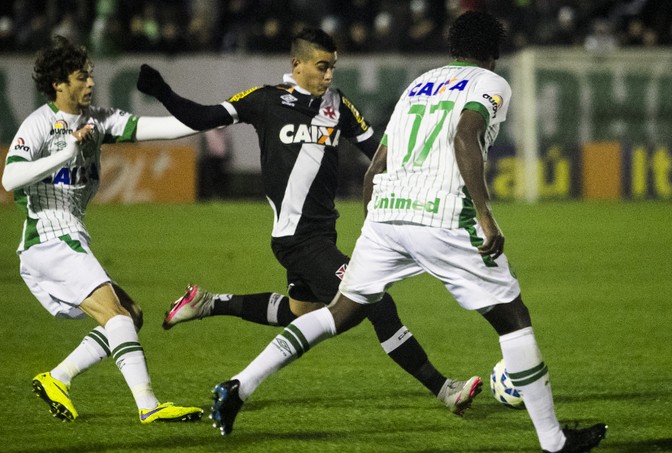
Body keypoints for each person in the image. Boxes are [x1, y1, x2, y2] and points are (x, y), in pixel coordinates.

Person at [201, 11, 609, 452]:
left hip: (387, 215)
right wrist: (485, 215)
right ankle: (553, 442)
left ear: (453, 47)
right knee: (512, 318)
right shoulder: (491, 84)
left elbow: (378, 162)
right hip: (443, 216)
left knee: (339, 312)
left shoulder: (421, 82)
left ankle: (239, 386)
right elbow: (464, 138)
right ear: (493, 54)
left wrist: (373, 227)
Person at [136, 27, 480, 418]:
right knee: (377, 304)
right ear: (296, 65)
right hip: (297, 239)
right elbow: (204, 116)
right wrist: (162, 91)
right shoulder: (265, 100)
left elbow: (380, 150)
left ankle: (208, 303)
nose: (329, 76)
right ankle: (444, 389)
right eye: (321, 67)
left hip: (321, 234)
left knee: (301, 312)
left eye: (333, 67)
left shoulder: (338, 104)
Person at [1, 35, 204, 424]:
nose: (91, 83)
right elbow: (10, 178)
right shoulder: (39, 124)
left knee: (131, 313)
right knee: (117, 316)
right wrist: (63, 153)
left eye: (91, 75)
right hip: (48, 236)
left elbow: (162, 129)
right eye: (82, 77)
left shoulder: (99, 120)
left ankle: (57, 378)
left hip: (70, 235)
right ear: (59, 84)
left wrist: (223, 114)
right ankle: (149, 405)